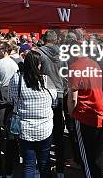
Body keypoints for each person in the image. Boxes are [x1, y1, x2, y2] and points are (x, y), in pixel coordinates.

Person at [9, 51, 56, 178]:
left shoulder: (17, 79)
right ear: (38, 65)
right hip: (44, 128)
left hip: (25, 128)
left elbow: (11, 98)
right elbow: (54, 98)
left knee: (28, 164)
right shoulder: (46, 80)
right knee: (44, 162)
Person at [67, 44, 103, 178]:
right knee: (97, 155)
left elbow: (73, 98)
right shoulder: (95, 64)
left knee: (86, 156)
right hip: (100, 112)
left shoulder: (74, 68)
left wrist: (71, 113)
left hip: (85, 114)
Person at [35, 30, 69, 177]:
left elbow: (35, 75)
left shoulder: (38, 54)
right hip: (60, 94)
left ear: (44, 39)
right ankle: (60, 170)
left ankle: (44, 167)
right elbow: (66, 74)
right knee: (59, 133)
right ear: (56, 41)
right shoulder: (63, 54)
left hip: (45, 95)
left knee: (44, 133)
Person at [0, 41, 20, 178]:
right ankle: (9, 168)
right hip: (11, 100)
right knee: (10, 135)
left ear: (5, 50)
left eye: (0, 49)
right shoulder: (15, 64)